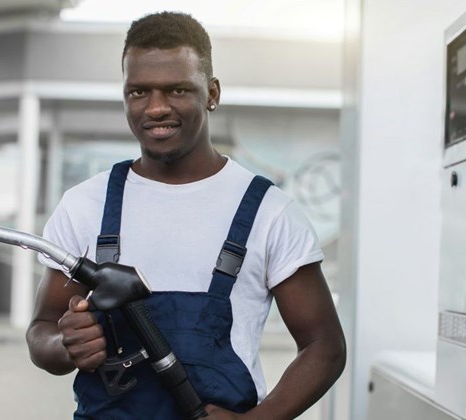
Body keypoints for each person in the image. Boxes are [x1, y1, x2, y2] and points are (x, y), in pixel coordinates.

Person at [27, 11, 346, 419]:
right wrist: (65, 345)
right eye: (138, 92)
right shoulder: (84, 204)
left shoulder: (269, 212)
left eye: (177, 90)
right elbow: (42, 330)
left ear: (212, 93)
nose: (156, 108)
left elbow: (325, 345)